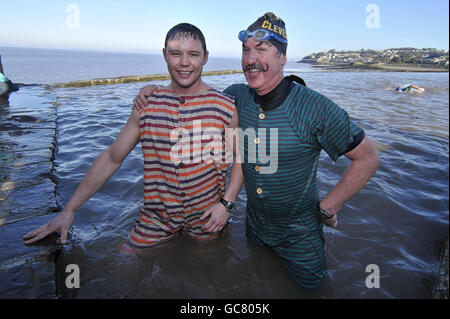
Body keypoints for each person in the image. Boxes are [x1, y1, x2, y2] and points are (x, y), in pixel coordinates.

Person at [133, 13, 381, 289]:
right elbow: (196, 95)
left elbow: (367, 158)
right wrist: (155, 90)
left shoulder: (316, 108)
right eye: (245, 50)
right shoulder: (237, 96)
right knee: (258, 282)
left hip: (300, 235)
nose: (250, 59)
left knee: (314, 291)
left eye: (261, 50)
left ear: (283, 58)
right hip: (254, 230)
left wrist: (328, 207)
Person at [23, 23, 243, 249]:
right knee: (125, 261)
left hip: (207, 218)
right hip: (156, 218)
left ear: (205, 57)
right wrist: (69, 210)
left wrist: (226, 206)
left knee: (210, 269)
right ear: (164, 55)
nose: (184, 63)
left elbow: (241, 156)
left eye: (193, 54)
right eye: (176, 54)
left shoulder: (224, 106)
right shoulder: (147, 104)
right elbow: (112, 157)